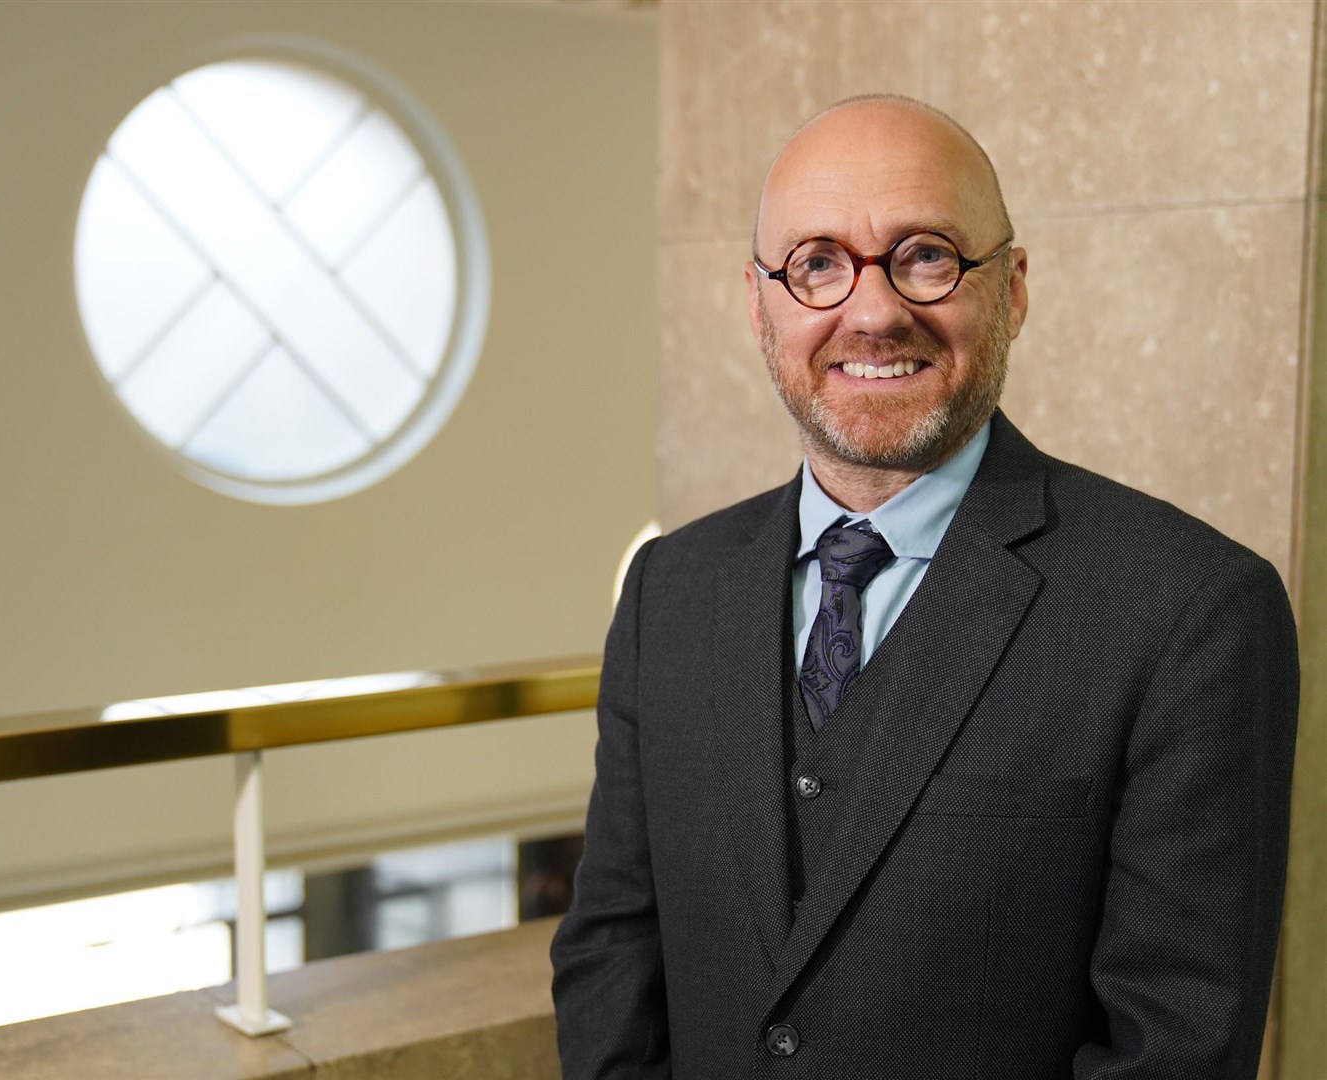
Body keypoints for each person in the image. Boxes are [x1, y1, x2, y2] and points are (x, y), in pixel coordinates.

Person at [550, 95, 1299, 1079]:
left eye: (926, 254)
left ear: (1013, 287)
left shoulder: (1190, 612)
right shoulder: (668, 590)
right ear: (756, 301)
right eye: (816, 262)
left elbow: (1176, 1047)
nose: (872, 312)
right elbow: (610, 953)